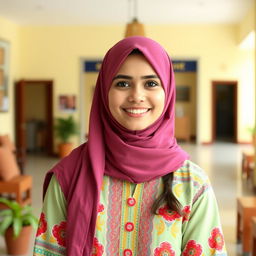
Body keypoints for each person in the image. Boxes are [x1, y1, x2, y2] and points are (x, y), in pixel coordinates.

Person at [33, 36, 227, 256]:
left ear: (168, 91)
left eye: (151, 83)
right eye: (122, 83)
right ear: (104, 91)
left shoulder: (193, 184)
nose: (136, 96)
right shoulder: (69, 175)